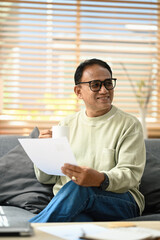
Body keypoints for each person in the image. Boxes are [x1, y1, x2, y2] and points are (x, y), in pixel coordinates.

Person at [29, 58, 146, 223]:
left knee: (79, 188)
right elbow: (47, 178)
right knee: (78, 223)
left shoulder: (129, 125)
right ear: (78, 92)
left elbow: (130, 175)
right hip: (72, 203)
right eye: (96, 85)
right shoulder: (66, 125)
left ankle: (26, 231)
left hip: (120, 201)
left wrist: (99, 178)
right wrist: (44, 152)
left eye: (108, 83)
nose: (105, 90)